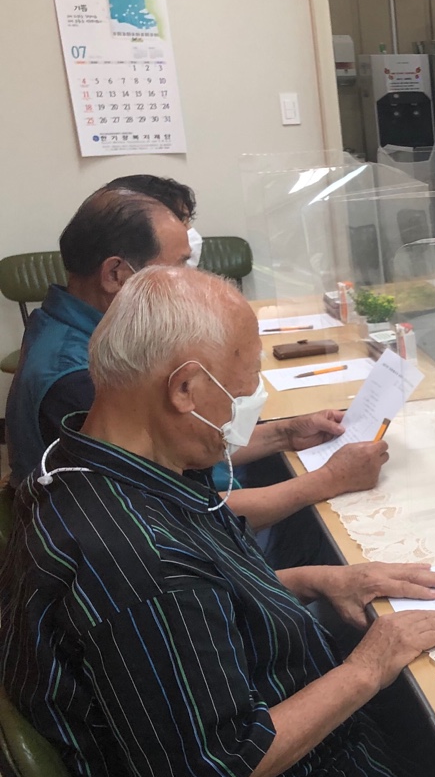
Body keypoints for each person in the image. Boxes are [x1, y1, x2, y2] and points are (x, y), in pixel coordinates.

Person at [0, 265, 435, 777]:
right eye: (242, 390)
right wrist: (367, 666)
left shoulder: (91, 462)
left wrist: (314, 579)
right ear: (185, 389)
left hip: (205, 755)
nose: (247, 407)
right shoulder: (137, 565)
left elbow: (202, 594)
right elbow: (218, 766)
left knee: (430, 714)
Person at [4, 187, 385, 534]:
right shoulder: (81, 377)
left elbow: (186, 438)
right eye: (178, 267)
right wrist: (330, 479)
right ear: (116, 274)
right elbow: (179, 516)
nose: (189, 280)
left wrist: (285, 433)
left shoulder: (76, 327)